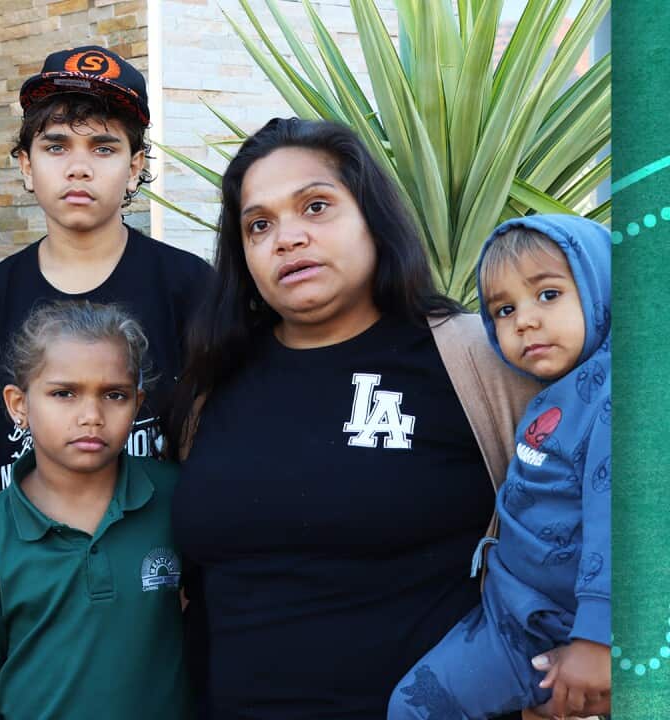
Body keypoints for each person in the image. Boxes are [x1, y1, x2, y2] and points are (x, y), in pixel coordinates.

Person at [163, 117, 585, 718]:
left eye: (316, 207)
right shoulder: (214, 380)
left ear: (373, 219)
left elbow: (611, 495)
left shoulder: (479, 359)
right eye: (259, 225)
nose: (287, 238)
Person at [0, 45, 211, 528]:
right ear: (26, 166)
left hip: (157, 579)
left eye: (104, 148)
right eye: (56, 146)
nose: (78, 168)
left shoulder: (189, 287)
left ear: (134, 167)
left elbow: (214, 456)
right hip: (24, 583)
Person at [0, 301, 189, 719]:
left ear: (137, 403)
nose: (91, 416)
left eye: (114, 395)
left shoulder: (176, 500)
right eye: (64, 393)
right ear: (18, 405)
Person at [389, 215, 611, 719]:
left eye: (548, 295)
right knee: (413, 706)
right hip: (512, 620)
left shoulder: (620, 398)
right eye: (504, 309)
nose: (524, 321)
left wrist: (599, 640)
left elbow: (624, 521)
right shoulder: (551, 391)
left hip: (577, 628)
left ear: (600, 284)